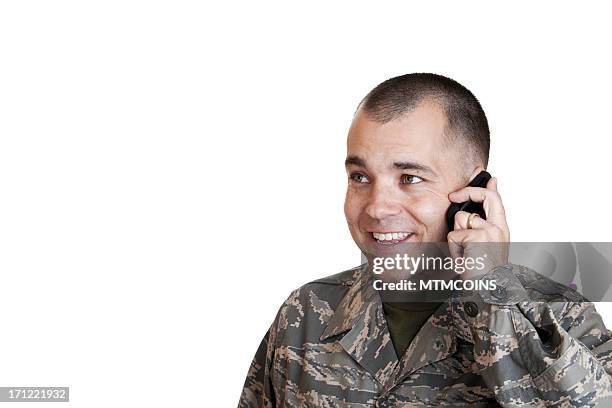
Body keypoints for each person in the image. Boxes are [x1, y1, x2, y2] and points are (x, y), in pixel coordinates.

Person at [238, 73, 612, 407]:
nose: (377, 208)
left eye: (410, 178)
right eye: (360, 177)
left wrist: (491, 295)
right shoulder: (305, 313)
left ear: (473, 190)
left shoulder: (559, 316)